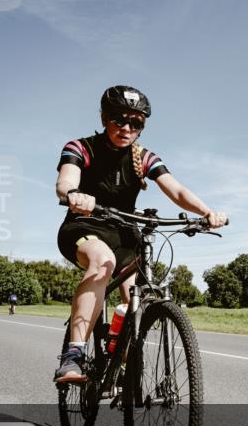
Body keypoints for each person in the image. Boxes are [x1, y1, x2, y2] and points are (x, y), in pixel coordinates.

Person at [53, 85, 226, 384]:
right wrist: (73, 194)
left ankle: (121, 360)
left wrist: (207, 212)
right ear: (104, 118)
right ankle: (74, 356)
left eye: (136, 123)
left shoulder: (143, 157)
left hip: (124, 233)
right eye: (119, 120)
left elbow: (176, 190)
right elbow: (66, 180)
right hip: (84, 226)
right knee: (103, 262)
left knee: (137, 295)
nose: (127, 128)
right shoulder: (81, 147)